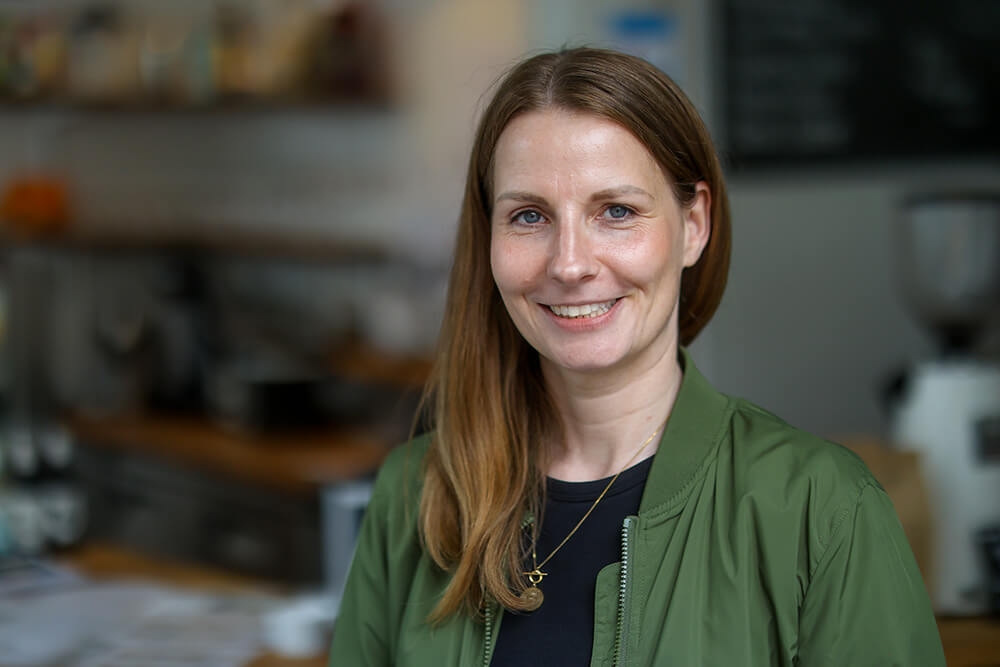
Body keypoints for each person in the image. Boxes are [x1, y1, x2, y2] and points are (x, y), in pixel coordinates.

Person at [328, 47, 944, 666]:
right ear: (488, 236)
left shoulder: (824, 508)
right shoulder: (415, 492)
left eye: (616, 211)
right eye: (529, 215)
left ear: (694, 224)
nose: (569, 264)